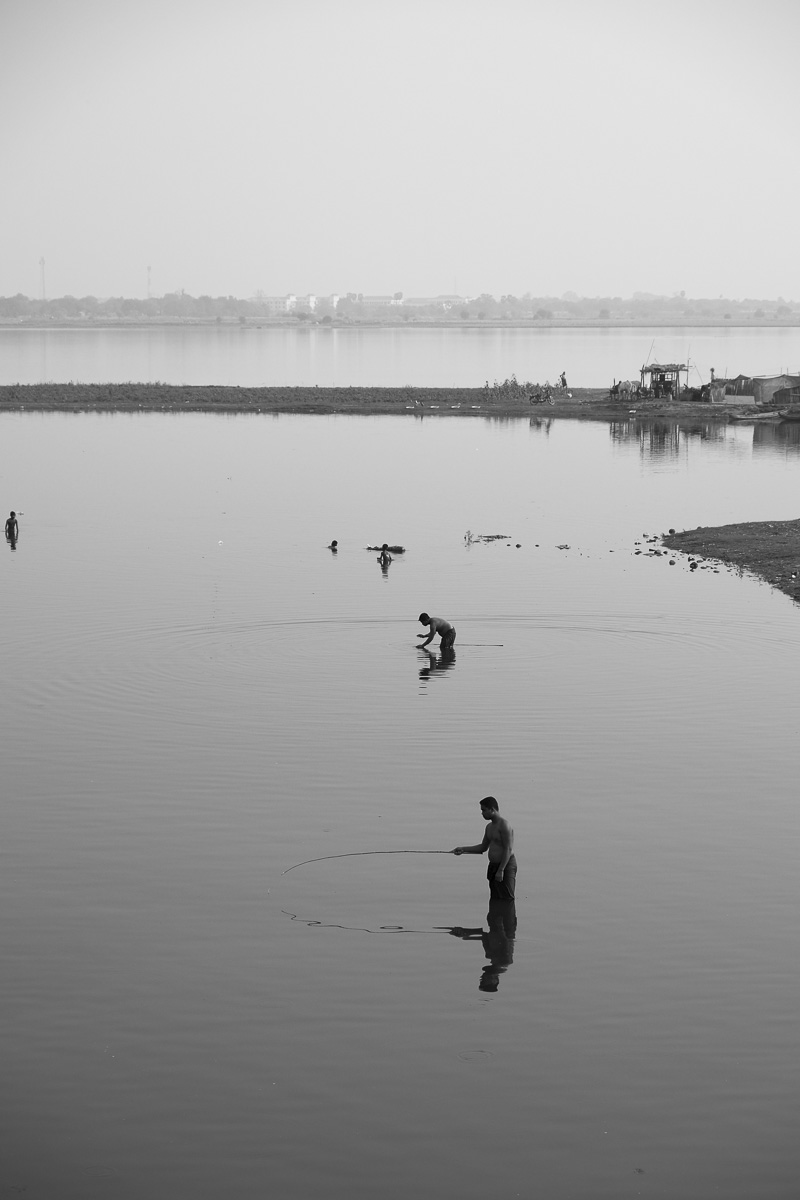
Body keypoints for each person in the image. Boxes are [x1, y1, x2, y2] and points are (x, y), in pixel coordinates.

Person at [453, 795, 516, 901]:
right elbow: (483, 847)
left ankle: (508, 916)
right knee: (495, 899)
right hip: (493, 866)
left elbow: (508, 849)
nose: (482, 813)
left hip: (505, 866)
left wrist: (501, 870)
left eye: (484, 810)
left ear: (492, 810)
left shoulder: (504, 825)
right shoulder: (489, 827)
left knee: (507, 899)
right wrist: (463, 849)